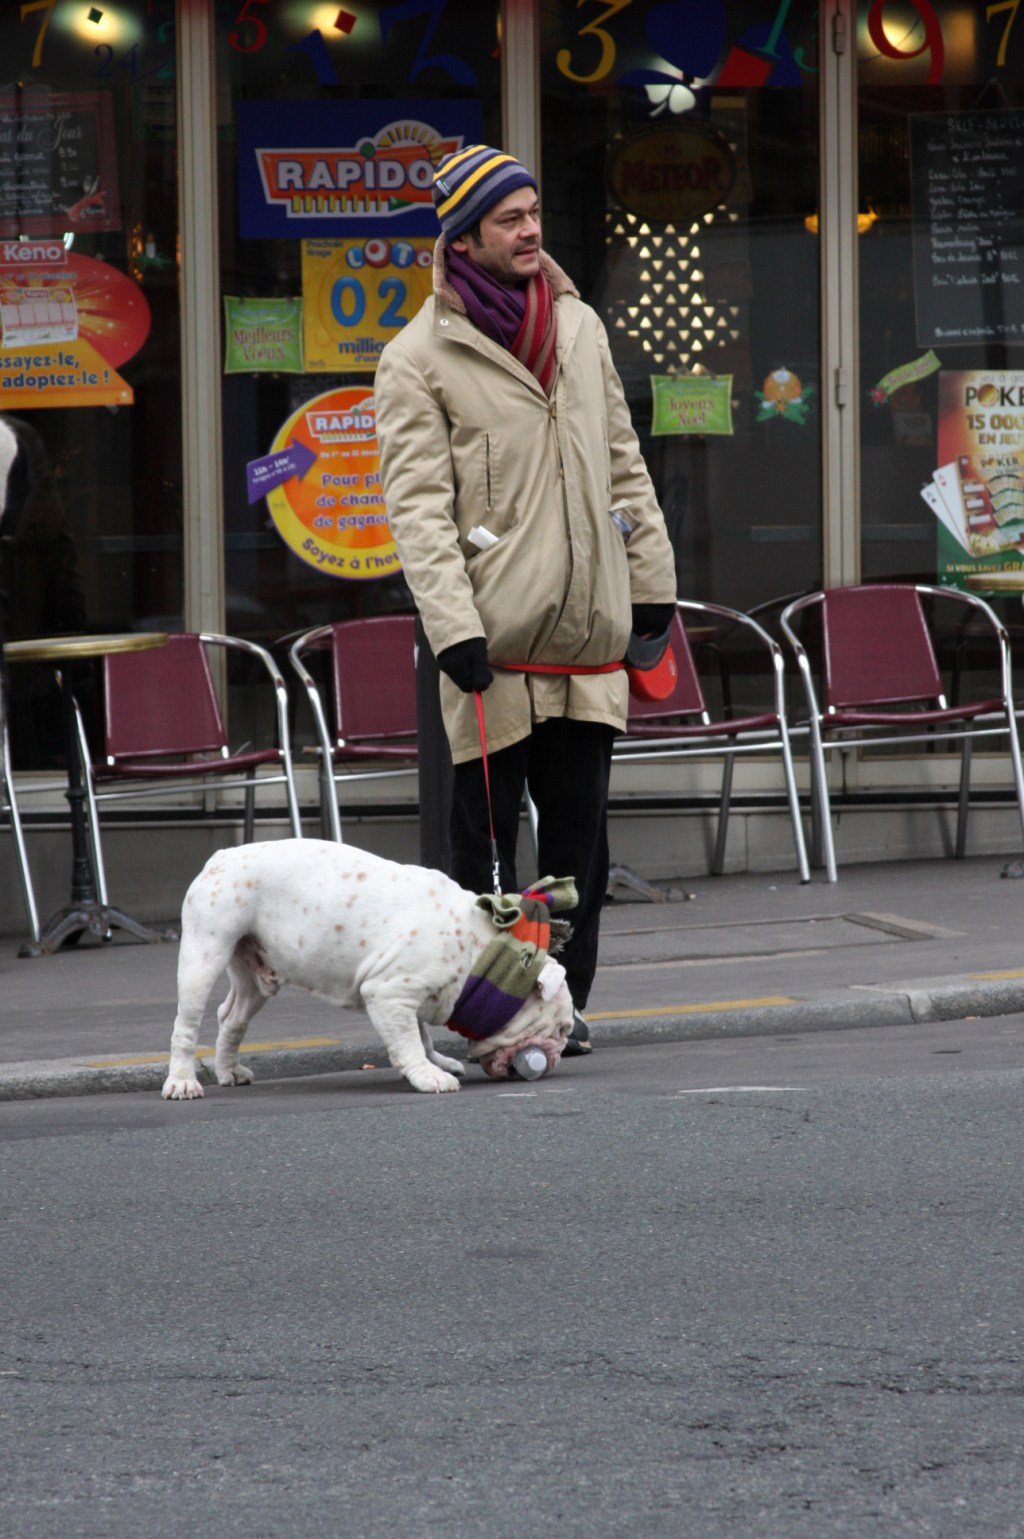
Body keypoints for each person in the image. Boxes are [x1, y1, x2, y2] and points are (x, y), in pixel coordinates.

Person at [374, 145, 677, 1054]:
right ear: (463, 240)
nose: (531, 230)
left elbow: (624, 464)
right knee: (486, 858)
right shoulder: (416, 358)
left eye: (534, 212)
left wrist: (652, 583)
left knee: (580, 853)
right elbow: (418, 512)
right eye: (509, 219)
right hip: (493, 651)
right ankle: (489, 1012)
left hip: (586, 642)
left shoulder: (579, 328)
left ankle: (562, 1007)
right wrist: (452, 629)